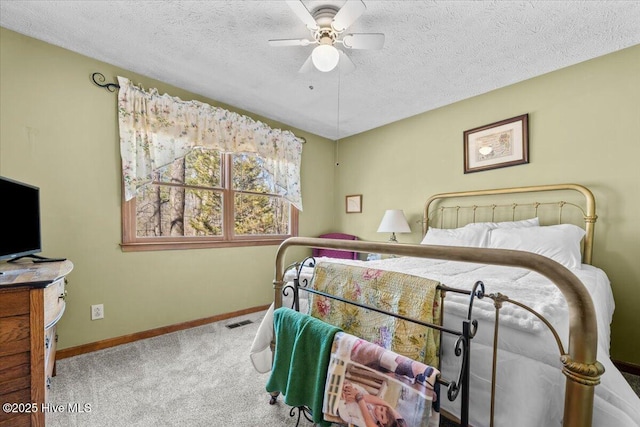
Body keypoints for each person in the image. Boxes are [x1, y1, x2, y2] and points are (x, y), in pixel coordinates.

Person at [337, 380, 407, 427]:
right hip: (345, 394)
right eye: (381, 409)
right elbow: (362, 393)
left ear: (382, 424)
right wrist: (351, 389)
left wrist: (342, 401)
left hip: (339, 404)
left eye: (381, 416)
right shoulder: (397, 420)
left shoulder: (363, 422)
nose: (378, 410)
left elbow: (347, 418)